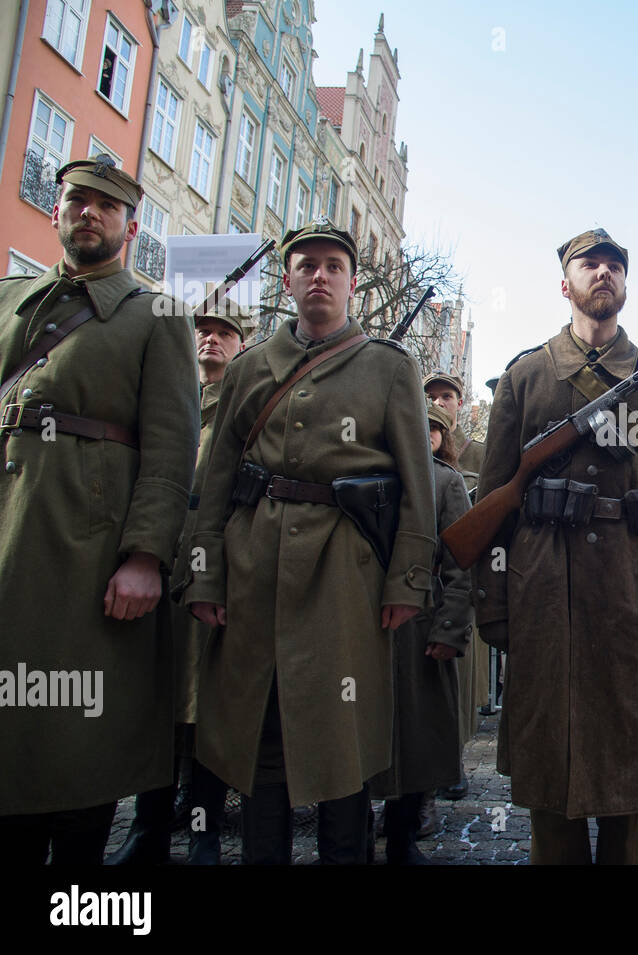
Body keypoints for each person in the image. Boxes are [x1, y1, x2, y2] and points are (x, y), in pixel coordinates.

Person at [184, 220, 437, 864]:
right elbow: (214, 482)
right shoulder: (247, 370)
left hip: (344, 575)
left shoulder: (389, 368)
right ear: (289, 279)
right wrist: (206, 574)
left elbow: (416, 487)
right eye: (306, 265)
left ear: (352, 283)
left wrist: (407, 580)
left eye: (332, 265)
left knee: (340, 736)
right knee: (258, 730)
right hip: (252, 566)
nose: (319, 275)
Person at [473, 228, 638, 864]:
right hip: (547, 589)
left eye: (614, 266)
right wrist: (495, 603)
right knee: (552, 765)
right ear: (566, 284)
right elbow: (494, 499)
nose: (602, 273)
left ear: (626, 286)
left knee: (637, 768)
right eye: (589, 265)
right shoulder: (527, 377)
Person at [0, 158, 200, 863]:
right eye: (76, 201)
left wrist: (146, 554)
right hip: (8, 537)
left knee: (81, 735)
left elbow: (173, 447)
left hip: (88, 552)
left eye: (105, 207)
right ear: (56, 211)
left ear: (130, 226)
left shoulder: (157, 315)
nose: (88, 213)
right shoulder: (11, 299)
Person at [108, 300, 252, 865]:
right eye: (204, 332)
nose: (211, 341)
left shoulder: (246, 402)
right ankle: (147, 829)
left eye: (224, 333)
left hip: (218, 562)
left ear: (241, 343)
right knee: (157, 701)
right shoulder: (165, 393)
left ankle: (204, 830)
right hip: (157, 554)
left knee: (207, 702)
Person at [372, 403, 471, 864]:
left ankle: (402, 834)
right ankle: (350, 834)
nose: (425, 434)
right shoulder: (369, 470)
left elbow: (462, 563)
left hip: (420, 621)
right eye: (418, 425)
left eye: (435, 428)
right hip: (360, 617)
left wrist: (450, 628)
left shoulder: (446, 481)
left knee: (418, 735)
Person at [423, 369, 488, 801]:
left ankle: (452, 761)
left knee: (460, 683)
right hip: (425, 582)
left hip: (466, 572)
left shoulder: (477, 452)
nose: (440, 402)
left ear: (459, 403)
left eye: (447, 396)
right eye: (432, 396)